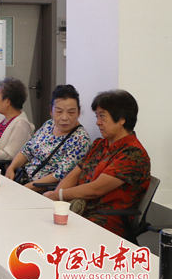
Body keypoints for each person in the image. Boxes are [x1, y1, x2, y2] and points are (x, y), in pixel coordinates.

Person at [44, 90, 150, 238]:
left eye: (102, 116)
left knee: (55, 235)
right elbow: (75, 173)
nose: (98, 122)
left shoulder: (132, 153)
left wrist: (59, 195)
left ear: (121, 120)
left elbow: (96, 190)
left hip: (106, 219)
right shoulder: (100, 144)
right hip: (81, 210)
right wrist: (57, 200)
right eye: (97, 116)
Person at [6, 85, 91, 192]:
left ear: (78, 112)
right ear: (51, 110)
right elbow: (27, 150)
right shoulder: (49, 125)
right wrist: (11, 168)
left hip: (42, 190)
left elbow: (60, 175)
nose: (65, 117)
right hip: (23, 179)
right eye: (59, 112)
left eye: (71, 112)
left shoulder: (81, 139)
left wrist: (27, 188)